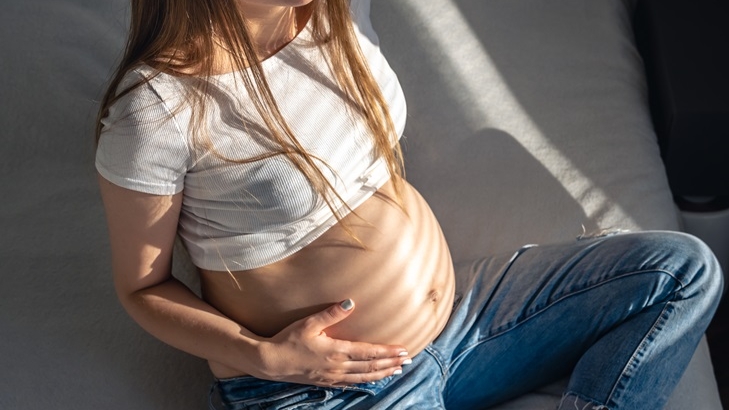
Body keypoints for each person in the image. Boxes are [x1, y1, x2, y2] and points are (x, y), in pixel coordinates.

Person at [95, 0, 723, 409]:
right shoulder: (157, 109)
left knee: (682, 273)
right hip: (327, 388)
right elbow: (143, 288)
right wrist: (266, 355)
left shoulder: (335, 12)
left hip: (464, 323)